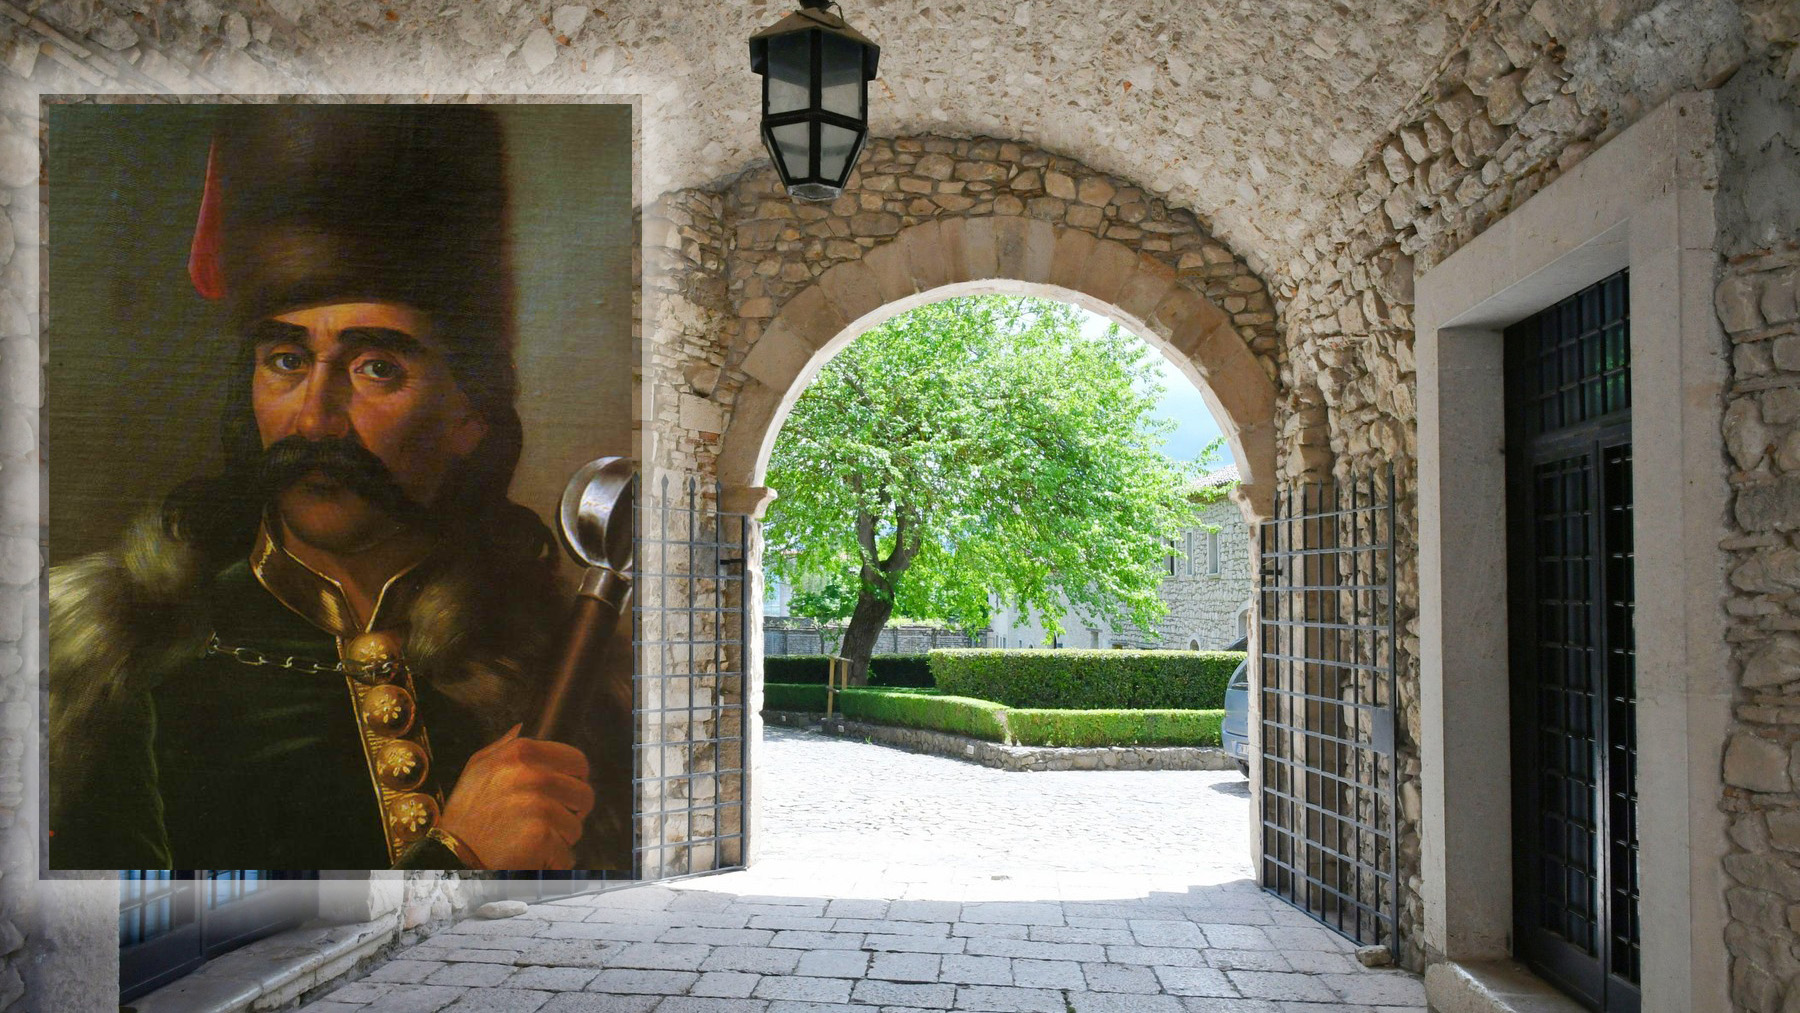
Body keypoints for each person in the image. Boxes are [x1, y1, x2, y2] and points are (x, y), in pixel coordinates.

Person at [48, 104, 603, 871]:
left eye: (377, 367)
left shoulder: (551, 651)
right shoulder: (122, 660)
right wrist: (457, 857)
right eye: (285, 359)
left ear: (469, 414)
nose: (316, 418)